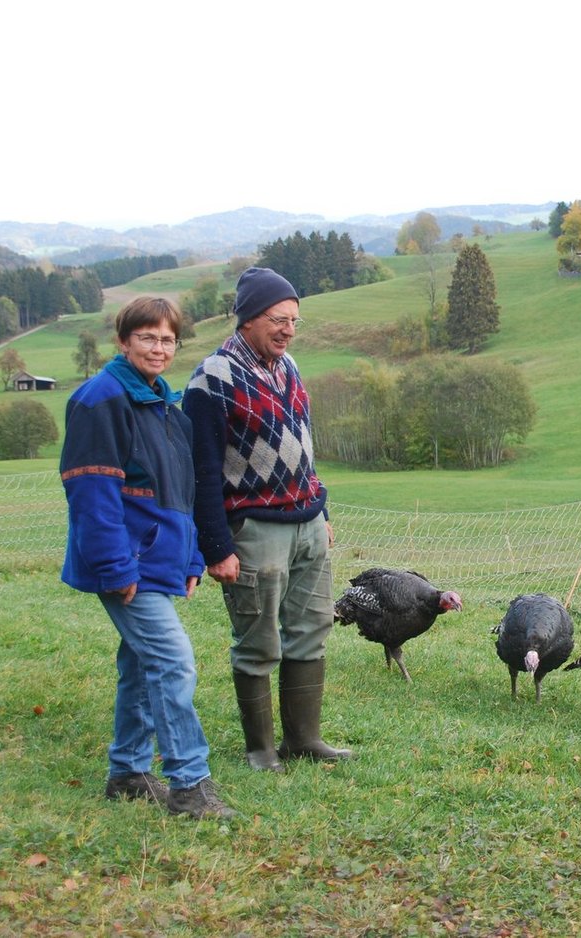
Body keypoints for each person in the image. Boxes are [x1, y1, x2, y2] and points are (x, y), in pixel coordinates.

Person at [60, 296, 236, 820]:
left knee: (140, 664)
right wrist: (116, 569)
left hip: (159, 561)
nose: (159, 348)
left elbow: (179, 495)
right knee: (172, 660)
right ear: (123, 341)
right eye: (147, 338)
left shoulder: (166, 410)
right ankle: (189, 784)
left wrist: (189, 561)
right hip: (125, 563)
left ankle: (129, 773)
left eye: (167, 339)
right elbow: (92, 493)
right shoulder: (101, 400)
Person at [183, 266, 353, 773]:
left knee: (311, 629)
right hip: (254, 529)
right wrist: (216, 546)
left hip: (307, 525)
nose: (288, 330)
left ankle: (304, 739)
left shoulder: (290, 366)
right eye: (279, 320)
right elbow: (202, 469)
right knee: (258, 642)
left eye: (295, 321)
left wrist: (320, 510)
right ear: (249, 318)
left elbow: (305, 449)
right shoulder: (211, 378)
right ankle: (261, 750)